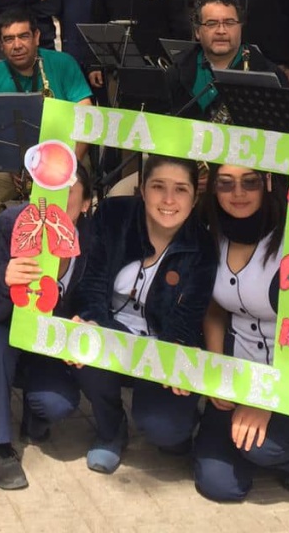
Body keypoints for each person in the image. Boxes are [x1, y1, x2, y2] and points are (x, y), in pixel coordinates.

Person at [192, 165, 289, 501]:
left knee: (261, 449)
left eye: (249, 182)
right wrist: (218, 371)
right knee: (218, 484)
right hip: (241, 370)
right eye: (225, 183)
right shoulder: (211, 232)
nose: (237, 193)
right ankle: (255, 443)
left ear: (267, 183)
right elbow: (215, 309)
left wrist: (270, 401)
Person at [73, 157, 217, 473]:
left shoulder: (204, 245)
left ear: (195, 198)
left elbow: (190, 315)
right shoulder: (113, 215)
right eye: (158, 187)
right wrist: (94, 323)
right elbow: (92, 282)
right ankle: (111, 430)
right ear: (142, 190)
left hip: (162, 343)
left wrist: (176, 347)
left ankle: (178, 423)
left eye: (180, 189)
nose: (168, 200)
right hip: (114, 330)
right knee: (83, 340)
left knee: (167, 431)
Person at [0, 175, 91, 490]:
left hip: (37, 346)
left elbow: (90, 302)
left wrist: (83, 323)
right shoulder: (11, 225)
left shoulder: (87, 244)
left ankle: (33, 412)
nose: (54, 207)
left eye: (67, 198)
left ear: (86, 205)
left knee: (58, 403)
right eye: (49, 195)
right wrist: (4, 280)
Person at [0, 8, 92, 231]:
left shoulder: (63, 63)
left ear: (36, 37)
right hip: (15, 166)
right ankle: (5, 253)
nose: (17, 45)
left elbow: (86, 116)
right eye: (8, 39)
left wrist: (66, 167)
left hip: (66, 161)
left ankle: (64, 254)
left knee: (71, 195)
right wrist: (9, 166)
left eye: (23, 36)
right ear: (0, 44)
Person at [165, 0, 287, 120]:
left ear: (240, 28)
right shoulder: (176, 71)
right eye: (211, 24)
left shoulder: (270, 74)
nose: (221, 31)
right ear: (197, 32)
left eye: (229, 23)